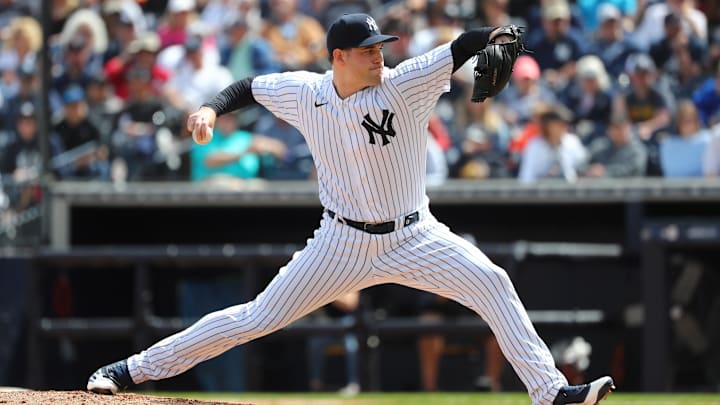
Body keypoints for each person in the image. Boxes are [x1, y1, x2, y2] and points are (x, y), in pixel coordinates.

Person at [87, 13, 615, 405]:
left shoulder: (404, 85)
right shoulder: (306, 92)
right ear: (338, 57)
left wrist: (497, 35)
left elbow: (463, 45)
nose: (378, 54)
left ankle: (550, 393)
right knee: (256, 317)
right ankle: (131, 369)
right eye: (366, 49)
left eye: (379, 45)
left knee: (493, 281)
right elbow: (248, 87)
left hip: (415, 235)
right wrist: (207, 108)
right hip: (340, 241)